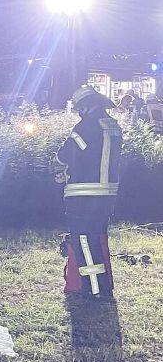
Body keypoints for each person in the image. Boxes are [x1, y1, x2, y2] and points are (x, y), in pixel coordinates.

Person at [53, 85, 121, 299]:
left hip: (82, 195)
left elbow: (64, 156)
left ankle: (94, 289)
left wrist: (58, 170)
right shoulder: (114, 127)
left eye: (79, 108)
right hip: (107, 195)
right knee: (97, 240)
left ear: (86, 106)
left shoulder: (85, 128)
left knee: (84, 241)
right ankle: (103, 286)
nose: (79, 112)